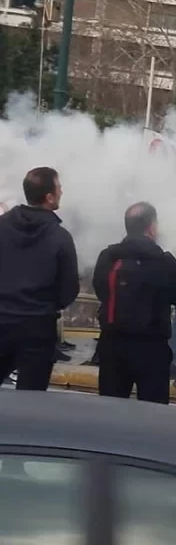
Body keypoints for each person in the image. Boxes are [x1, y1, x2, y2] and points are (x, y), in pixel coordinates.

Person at [93, 202, 176, 404]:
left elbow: (101, 291)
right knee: (153, 416)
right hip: (152, 348)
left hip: (113, 344)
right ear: (152, 227)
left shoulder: (108, 257)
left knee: (110, 410)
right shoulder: (164, 261)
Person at [0, 166, 79, 391]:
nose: (62, 191)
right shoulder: (60, 237)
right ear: (49, 197)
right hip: (38, 328)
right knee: (31, 401)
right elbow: (68, 290)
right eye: (59, 187)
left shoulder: (2, 225)